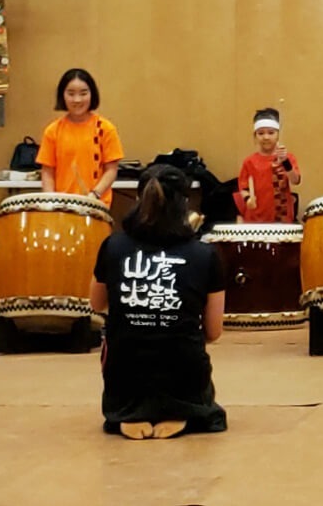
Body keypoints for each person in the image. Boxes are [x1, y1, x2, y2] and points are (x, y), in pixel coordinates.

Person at [90, 164, 227, 440]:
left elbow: (95, 304)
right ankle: (180, 408)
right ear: (185, 204)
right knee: (183, 352)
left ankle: (130, 410)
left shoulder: (113, 246)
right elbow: (213, 332)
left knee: (121, 342)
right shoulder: (205, 254)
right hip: (185, 373)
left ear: (139, 200)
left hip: (124, 378)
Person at [36, 68, 124, 207]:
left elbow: (111, 170)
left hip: (96, 205)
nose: (77, 99)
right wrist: (50, 201)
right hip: (62, 207)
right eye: (71, 94)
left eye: (83, 93)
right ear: (62, 95)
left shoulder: (106, 128)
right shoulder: (53, 130)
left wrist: (94, 195)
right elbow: (47, 172)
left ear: (92, 94)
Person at [233, 108, 301, 223]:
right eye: (261, 133)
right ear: (255, 135)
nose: (266, 137)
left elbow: (295, 180)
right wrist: (248, 199)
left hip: (282, 218)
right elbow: (243, 188)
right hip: (255, 219)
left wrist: (285, 161)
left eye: (271, 133)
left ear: (278, 134)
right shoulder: (249, 162)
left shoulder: (287, 157)